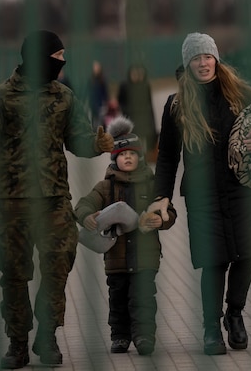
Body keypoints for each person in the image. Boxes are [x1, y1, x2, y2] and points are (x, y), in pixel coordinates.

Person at [0, 30, 115, 369]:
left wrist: (97, 144)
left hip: (54, 200)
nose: (62, 63)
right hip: (10, 203)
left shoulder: (65, 98)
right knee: (13, 273)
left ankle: (47, 335)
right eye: (57, 58)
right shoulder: (0, 98)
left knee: (57, 266)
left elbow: (78, 141)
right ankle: (18, 343)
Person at [146, 32, 251, 356]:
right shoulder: (177, 104)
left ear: (216, 59)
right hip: (203, 195)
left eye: (207, 56)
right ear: (188, 64)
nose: (203, 63)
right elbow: (168, 156)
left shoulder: (240, 94)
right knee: (214, 262)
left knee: (249, 253)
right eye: (196, 58)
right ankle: (211, 327)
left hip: (241, 188)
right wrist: (162, 196)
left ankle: (235, 313)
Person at [74, 116, 177, 356]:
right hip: (116, 259)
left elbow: (169, 211)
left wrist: (161, 219)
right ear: (114, 159)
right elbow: (83, 205)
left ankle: (144, 336)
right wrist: (87, 216)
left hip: (146, 258)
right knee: (118, 299)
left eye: (132, 154)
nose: (127, 158)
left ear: (140, 158)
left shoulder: (152, 185)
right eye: (122, 155)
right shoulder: (105, 187)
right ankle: (120, 336)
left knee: (143, 299)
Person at [117, 64, 158, 159]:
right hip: (131, 118)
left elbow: (150, 104)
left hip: (144, 119)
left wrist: (152, 122)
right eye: (134, 74)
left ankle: (145, 158)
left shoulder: (145, 85)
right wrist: (127, 111)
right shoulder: (125, 86)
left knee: (145, 140)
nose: (136, 76)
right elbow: (121, 101)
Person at [88, 60, 109, 127]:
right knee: (94, 122)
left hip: (100, 105)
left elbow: (105, 93)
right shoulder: (91, 80)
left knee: (100, 123)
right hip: (92, 105)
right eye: (94, 67)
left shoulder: (102, 80)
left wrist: (105, 104)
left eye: (97, 67)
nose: (95, 69)